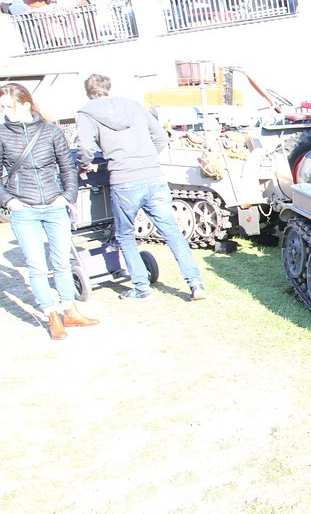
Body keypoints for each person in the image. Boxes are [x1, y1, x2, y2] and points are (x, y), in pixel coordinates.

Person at [75, 73, 207, 302]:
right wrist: (146, 159)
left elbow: (85, 148)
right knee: (172, 232)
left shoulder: (86, 113)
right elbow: (160, 137)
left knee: (125, 234)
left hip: (124, 181)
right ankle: (196, 284)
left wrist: (86, 166)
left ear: (89, 92)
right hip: (153, 176)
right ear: (109, 88)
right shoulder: (134, 106)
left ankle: (141, 288)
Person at [0, 82, 99, 339]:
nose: (4, 112)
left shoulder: (50, 132)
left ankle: (70, 310)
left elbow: (67, 167)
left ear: (24, 105)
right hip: (23, 209)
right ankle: (51, 314)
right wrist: (9, 201)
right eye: (2, 107)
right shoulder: (2, 134)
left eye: (8, 107)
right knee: (36, 265)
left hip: (54, 206)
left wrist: (67, 197)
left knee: (62, 261)